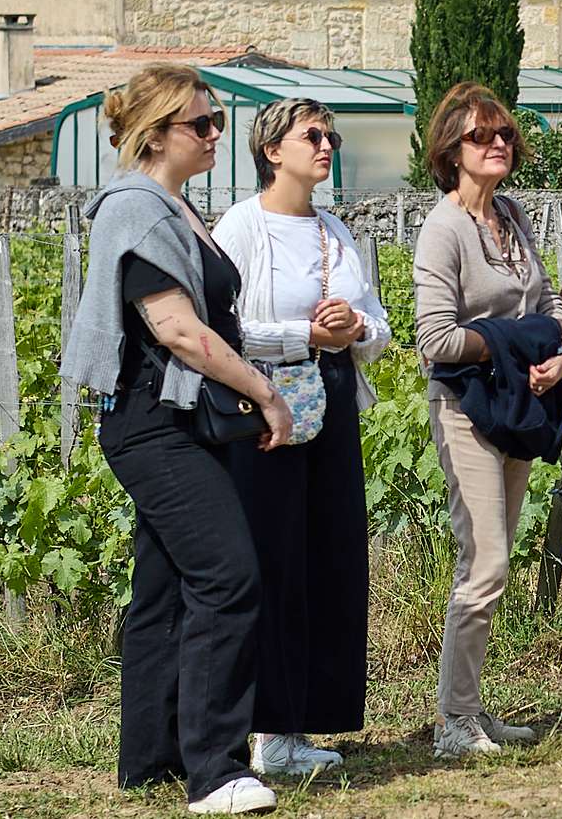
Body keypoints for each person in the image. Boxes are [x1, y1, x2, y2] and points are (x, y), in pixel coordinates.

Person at [63, 63, 294, 815]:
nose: (216, 134)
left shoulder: (176, 205)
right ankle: (217, 772)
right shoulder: (136, 209)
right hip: (150, 423)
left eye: (216, 120)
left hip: (180, 419)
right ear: (156, 134)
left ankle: (152, 759)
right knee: (229, 577)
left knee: (163, 591)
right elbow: (179, 332)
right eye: (202, 123)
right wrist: (266, 394)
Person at [213, 98, 391, 778]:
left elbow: (377, 327)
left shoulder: (335, 230)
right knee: (274, 560)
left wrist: (352, 329)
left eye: (331, 135)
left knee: (330, 556)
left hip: (333, 400)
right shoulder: (242, 228)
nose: (327, 145)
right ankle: (264, 728)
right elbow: (221, 332)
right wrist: (302, 336)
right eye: (312, 135)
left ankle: (299, 725)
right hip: (263, 408)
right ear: (271, 149)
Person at [413, 82, 562, 758]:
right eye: (482, 136)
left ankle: (471, 709)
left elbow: (553, 303)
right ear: (453, 150)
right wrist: (515, 344)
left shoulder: (512, 216)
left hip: (516, 404)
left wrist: (557, 354)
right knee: (486, 561)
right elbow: (436, 341)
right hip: (466, 410)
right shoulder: (443, 227)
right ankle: (452, 721)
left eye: (504, 133)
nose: (499, 144)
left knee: (495, 560)